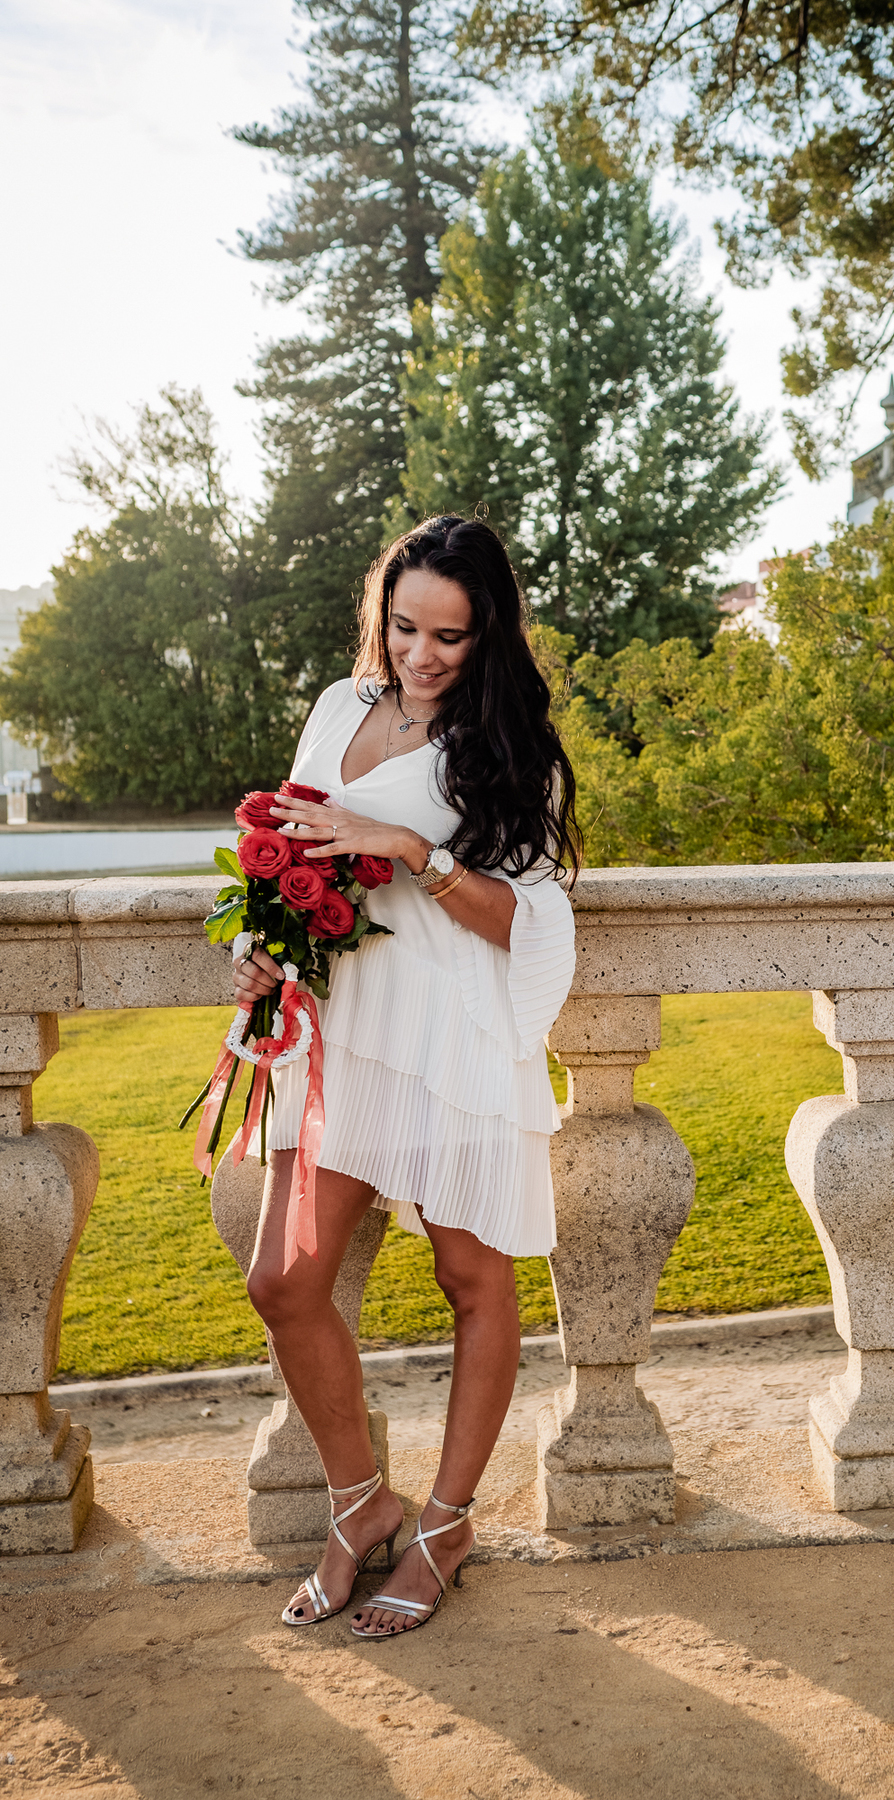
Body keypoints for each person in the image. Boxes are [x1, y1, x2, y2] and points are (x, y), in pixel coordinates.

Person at [232, 515, 579, 1639]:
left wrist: (414, 854)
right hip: (338, 1027)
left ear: (489, 635)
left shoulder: (509, 749)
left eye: (450, 636)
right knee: (284, 1281)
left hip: (447, 1034)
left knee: (472, 1279)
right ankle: (360, 1504)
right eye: (404, 627)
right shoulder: (340, 706)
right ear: (380, 616)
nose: (421, 655)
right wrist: (262, 943)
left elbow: (529, 921)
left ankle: (442, 1525)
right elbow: (291, 851)